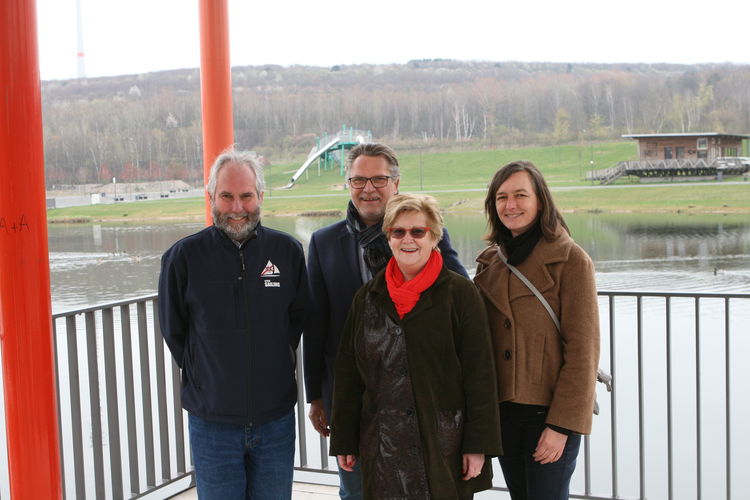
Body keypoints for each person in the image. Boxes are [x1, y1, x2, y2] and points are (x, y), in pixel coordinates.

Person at [303, 143, 468, 499]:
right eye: (358, 179)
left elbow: (461, 299)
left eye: (378, 179)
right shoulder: (323, 243)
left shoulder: (424, 233)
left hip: (421, 395)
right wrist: (316, 394)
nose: (368, 188)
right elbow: (317, 325)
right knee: (357, 490)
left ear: (396, 183)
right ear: (348, 184)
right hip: (356, 401)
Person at [329, 193, 502, 499]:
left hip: (444, 445)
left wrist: (478, 446)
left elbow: (480, 374)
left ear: (434, 237)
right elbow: (348, 373)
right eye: (398, 232)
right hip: (383, 446)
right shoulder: (367, 297)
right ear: (389, 238)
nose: (408, 239)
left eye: (417, 231)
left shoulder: (460, 293)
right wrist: (344, 439)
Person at [158, 149, 308, 500]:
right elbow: (174, 330)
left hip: (275, 420)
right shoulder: (183, 258)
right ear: (211, 197)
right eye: (226, 196)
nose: (237, 208)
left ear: (260, 197)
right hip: (212, 424)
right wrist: (209, 377)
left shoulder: (287, 252)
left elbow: (296, 321)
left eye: (246, 196)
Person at [473, 160, 600, 500]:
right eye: (501, 197)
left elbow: (583, 351)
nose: (510, 205)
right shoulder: (490, 263)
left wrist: (561, 426)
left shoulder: (571, 260)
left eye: (520, 195)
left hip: (549, 415)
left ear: (540, 201)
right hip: (504, 412)